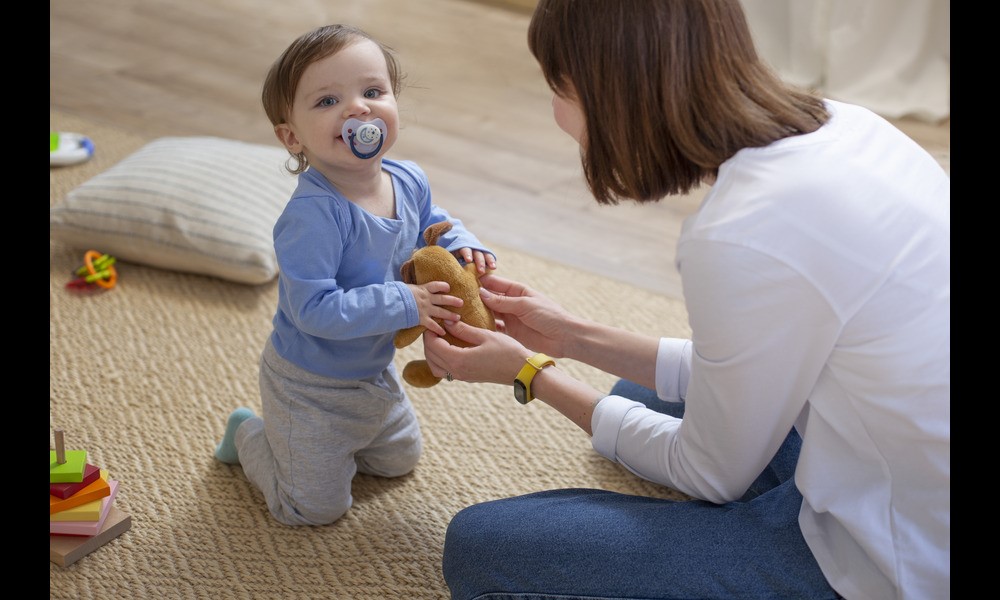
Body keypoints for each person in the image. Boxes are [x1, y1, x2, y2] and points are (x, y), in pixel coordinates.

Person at [422, 1, 949, 599]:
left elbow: (708, 475)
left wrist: (530, 372)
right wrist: (570, 335)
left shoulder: (739, 234)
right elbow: (767, 358)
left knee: (481, 548)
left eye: (558, 87)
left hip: (896, 561)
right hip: (903, 469)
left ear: (611, 94)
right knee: (636, 396)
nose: (554, 111)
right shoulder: (847, 125)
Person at [213, 24, 496, 527]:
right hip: (310, 385)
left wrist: (463, 244)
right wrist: (405, 303)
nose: (358, 110)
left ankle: (331, 447)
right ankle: (250, 435)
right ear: (291, 136)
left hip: (373, 370)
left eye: (372, 92)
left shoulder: (407, 178)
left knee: (398, 462)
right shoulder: (313, 217)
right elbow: (313, 310)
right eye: (327, 101)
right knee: (313, 510)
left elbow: (433, 223)